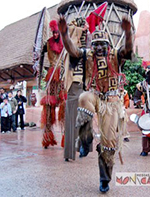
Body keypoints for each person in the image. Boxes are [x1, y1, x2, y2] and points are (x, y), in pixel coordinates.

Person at [58, 15, 133, 193]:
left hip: (112, 102)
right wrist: (64, 34)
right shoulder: (87, 55)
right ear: (92, 46)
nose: (99, 47)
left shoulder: (116, 55)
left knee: (108, 145)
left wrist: (128, 32)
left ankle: (104, 179)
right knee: (83, 97)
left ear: (108, 46)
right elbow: (72, 50)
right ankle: (86, 139)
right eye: (96, 44)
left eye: (103, 44)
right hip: (94, 95)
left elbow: (128, 49)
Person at [63, 17, 89, 162]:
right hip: (73, 87)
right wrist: (81, 29)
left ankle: (83, 148)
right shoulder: (71, 48)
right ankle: (69, 153)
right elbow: (70, 40)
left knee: (85, 119)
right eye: (82, 32)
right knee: (71, 120)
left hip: (83, 88)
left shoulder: (86, 52)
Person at [40, 19, 67, 149]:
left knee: (64, 104)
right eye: (53, 33)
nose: (55, 35)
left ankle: (65, 137)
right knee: (49, 105)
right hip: (51, 74)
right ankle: (47, 136)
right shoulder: (48, 43)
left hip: (62, 75)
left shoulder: (64, 41)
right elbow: (39, 51)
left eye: (56, 32)